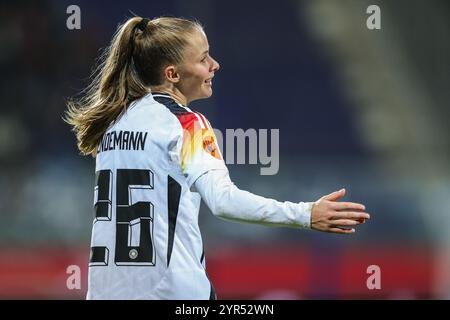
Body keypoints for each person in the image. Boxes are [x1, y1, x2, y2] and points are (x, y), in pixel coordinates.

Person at [65, 16, 370, 300]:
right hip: (171, 292)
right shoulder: (185, 123)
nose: (215, 65)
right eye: (203, 59)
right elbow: (223, 201)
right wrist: (305, 214)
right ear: (172, 74)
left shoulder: (113, 125)